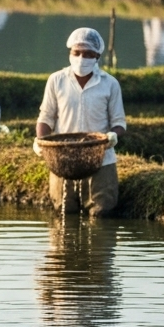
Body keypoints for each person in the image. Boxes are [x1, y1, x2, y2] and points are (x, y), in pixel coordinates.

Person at [34, 28, 127, 216]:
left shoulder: (109, 84)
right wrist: (41, 141)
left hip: (101, 158)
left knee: (101, 211)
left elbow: (119, 122)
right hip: (63, 158)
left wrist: (113, 135)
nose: (81, 58)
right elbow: (46, 118)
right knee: (64, 211)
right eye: (76, 53)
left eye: (87, 54)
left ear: (97, 56)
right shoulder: (56, 80)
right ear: (70, 53)